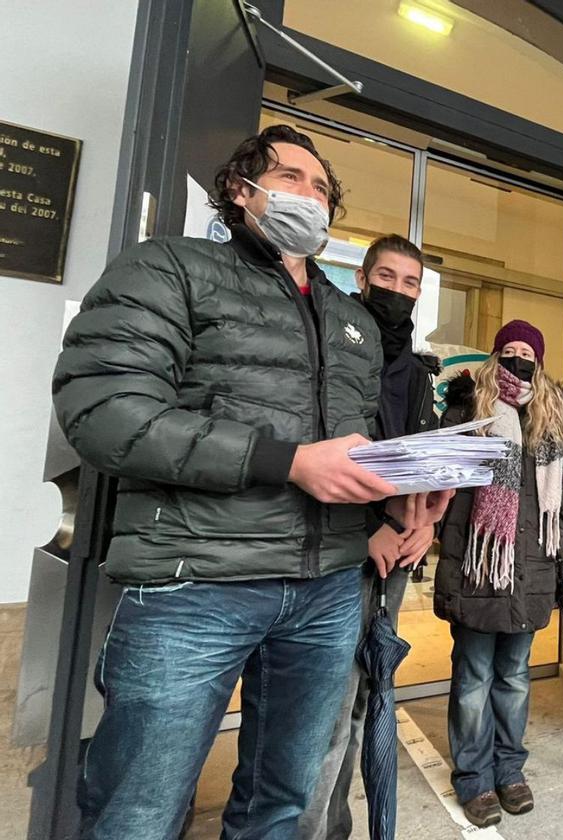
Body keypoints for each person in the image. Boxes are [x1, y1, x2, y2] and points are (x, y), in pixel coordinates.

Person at [52, 125, 449, 838]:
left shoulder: (350, 322)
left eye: (322, 188)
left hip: (328, 587)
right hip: (194, 584)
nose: (310, 195)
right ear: (242, 190)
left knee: (285, 805)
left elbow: (352, 453)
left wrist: (406, 494)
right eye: (292, 177)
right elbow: (105, 411)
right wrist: (287, 462)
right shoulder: (168, 268)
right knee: (136, 812)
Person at [300, 234, 443, 839]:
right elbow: (331, 455)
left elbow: (419, 456)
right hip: (340, 549)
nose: (398, 291)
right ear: (362, 279)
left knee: (366, 697)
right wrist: (372, 532)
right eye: (387, 278)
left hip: (394, 553)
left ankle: (340, 821)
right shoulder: (337, 351)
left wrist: (425, 522)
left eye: (410, 283)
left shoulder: (413, 368)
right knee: (325, 711)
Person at [434, 320, 563, 828]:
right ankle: (473, 778)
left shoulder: (550, 423)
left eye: (527, 352)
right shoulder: (466, 412)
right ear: (496, 357)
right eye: (510, 350)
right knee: (473, 677)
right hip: (478, 567)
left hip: (529, 570)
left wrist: (557, 538)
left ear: (538, 363)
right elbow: (441, 488)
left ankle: (510, 770)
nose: (518, 359)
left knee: (514, 678)